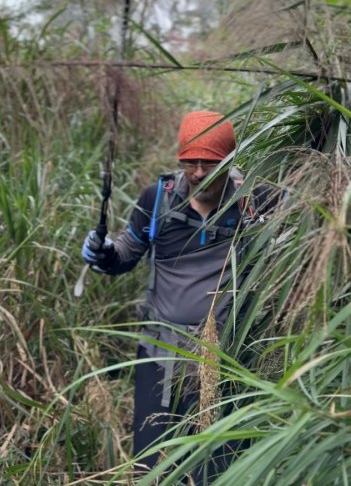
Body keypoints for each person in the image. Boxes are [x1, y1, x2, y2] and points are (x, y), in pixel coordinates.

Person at [81, 110, 271, 482]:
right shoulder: (158, 199)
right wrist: (103, 253)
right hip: (159, 352)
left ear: (230, 162)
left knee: (217, 461)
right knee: (152, 461)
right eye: (190, 163)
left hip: (225, 354)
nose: (199, 173)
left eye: (210, 164)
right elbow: (125, 254)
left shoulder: (255, 200)